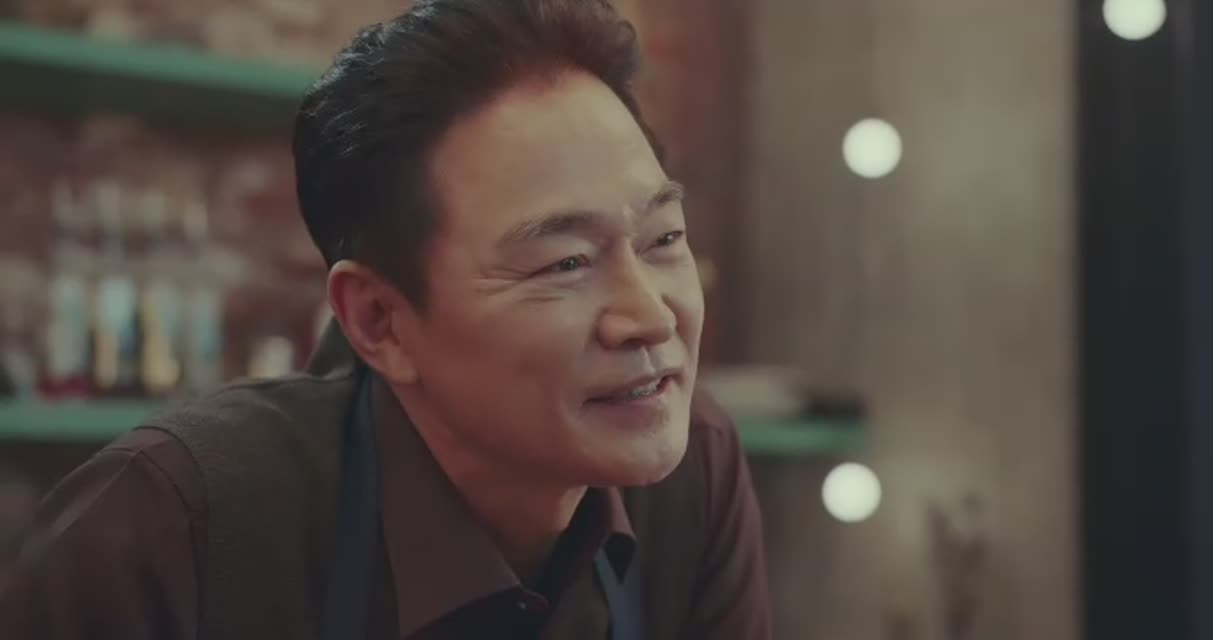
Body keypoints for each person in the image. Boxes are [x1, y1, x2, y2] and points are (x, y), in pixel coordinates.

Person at [0, 0, 771, 638]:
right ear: (379, 322)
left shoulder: (689, 476)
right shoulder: (169, 527)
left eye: (663, 239)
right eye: (565, 262)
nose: (648, 315)